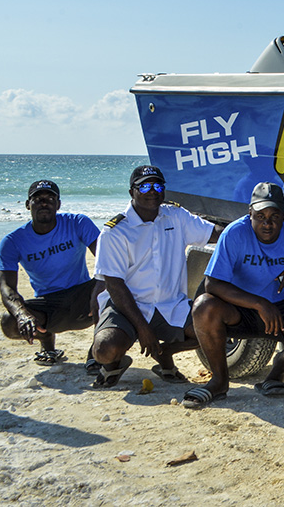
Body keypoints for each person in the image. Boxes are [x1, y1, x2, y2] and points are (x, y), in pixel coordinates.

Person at [185, 182, 284, 409]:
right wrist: (259, 303)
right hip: (240, 307)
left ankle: (278, 369)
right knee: (204, 306)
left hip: (283, 305)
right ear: (249, 212)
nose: (267, 223)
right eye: (260, 215)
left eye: (274, 216)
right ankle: (220, 381)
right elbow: (212, 283)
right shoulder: (234, 233)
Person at [90, 165, 218, 388]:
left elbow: (213, 234)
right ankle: (113, 366)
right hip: (126, 306)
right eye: (145, 186)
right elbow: (114, 286)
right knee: (104, 349)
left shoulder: (176, 216)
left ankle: (165, 353)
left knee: (211, 329)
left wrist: (249, 224)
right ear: (132, 192)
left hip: (169, 304)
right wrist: (143, 328)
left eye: (157, 185)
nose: (152, 191)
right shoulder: (115, 231)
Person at [0, 179, 103, 369]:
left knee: (114, 285)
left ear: (58, 204)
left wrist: (100, 289)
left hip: (82, 298)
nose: (44, 203)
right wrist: (22, 314)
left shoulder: (78, 223)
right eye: (37, 199)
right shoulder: (12, 241)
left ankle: (97, 351)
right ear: (28, 204)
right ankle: (47, 344)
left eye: (50, 198)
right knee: (9, 322)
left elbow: (107, 260)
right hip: (48, 304)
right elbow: (7, 288)